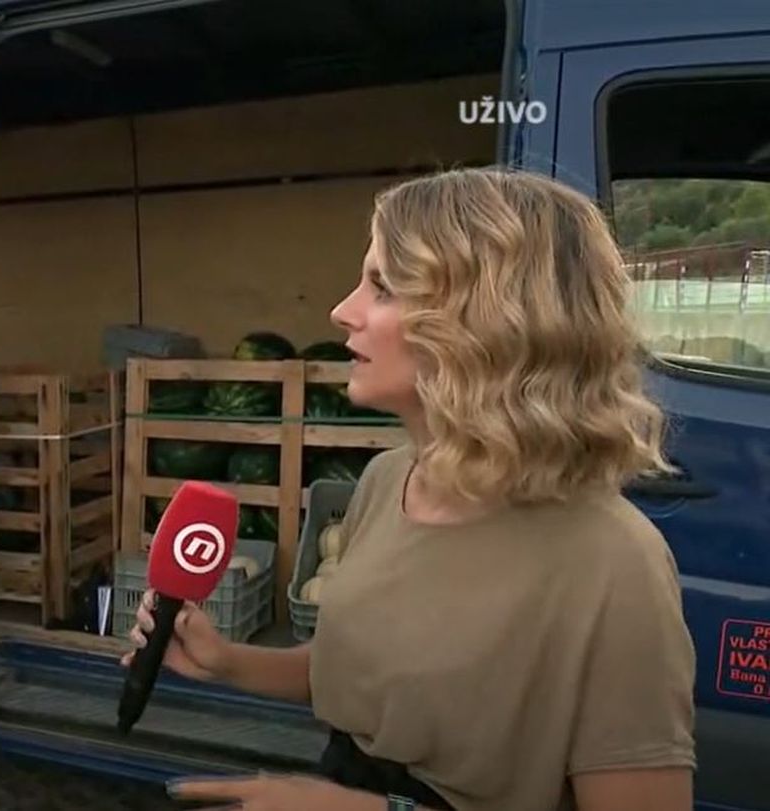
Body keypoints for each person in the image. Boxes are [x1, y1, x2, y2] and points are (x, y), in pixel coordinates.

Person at [122, 166, 696, 811]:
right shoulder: (385, 480)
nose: (342, 312)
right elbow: (365, 677)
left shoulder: (616, 562)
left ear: (487, 324)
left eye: (383, 287)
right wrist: (227, 661)